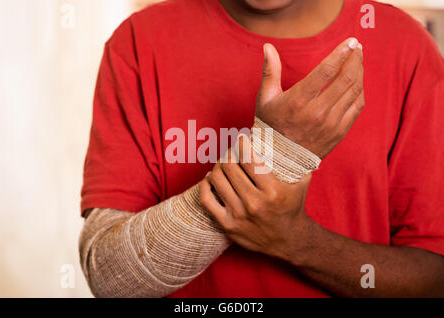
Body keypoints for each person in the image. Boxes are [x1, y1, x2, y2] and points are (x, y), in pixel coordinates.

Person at [79, 0, 444, 297]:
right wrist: (277, 152)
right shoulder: (140, 40)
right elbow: (111, 277)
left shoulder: (405, 47)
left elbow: (434, 277)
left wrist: (298, 242)